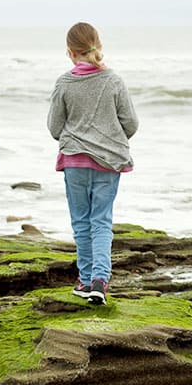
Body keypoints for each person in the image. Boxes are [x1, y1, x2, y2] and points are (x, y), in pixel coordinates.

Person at [47, 22, 138, 305]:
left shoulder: (64, 83)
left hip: (75, 161)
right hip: (108, 163)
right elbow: (131, 124)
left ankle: (86, 281)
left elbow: (54, 127)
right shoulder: (113, 81)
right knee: (101, 221)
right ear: (98, 45)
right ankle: (100, 280)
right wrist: (110, 138)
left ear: (70, 52)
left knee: (81, 223)